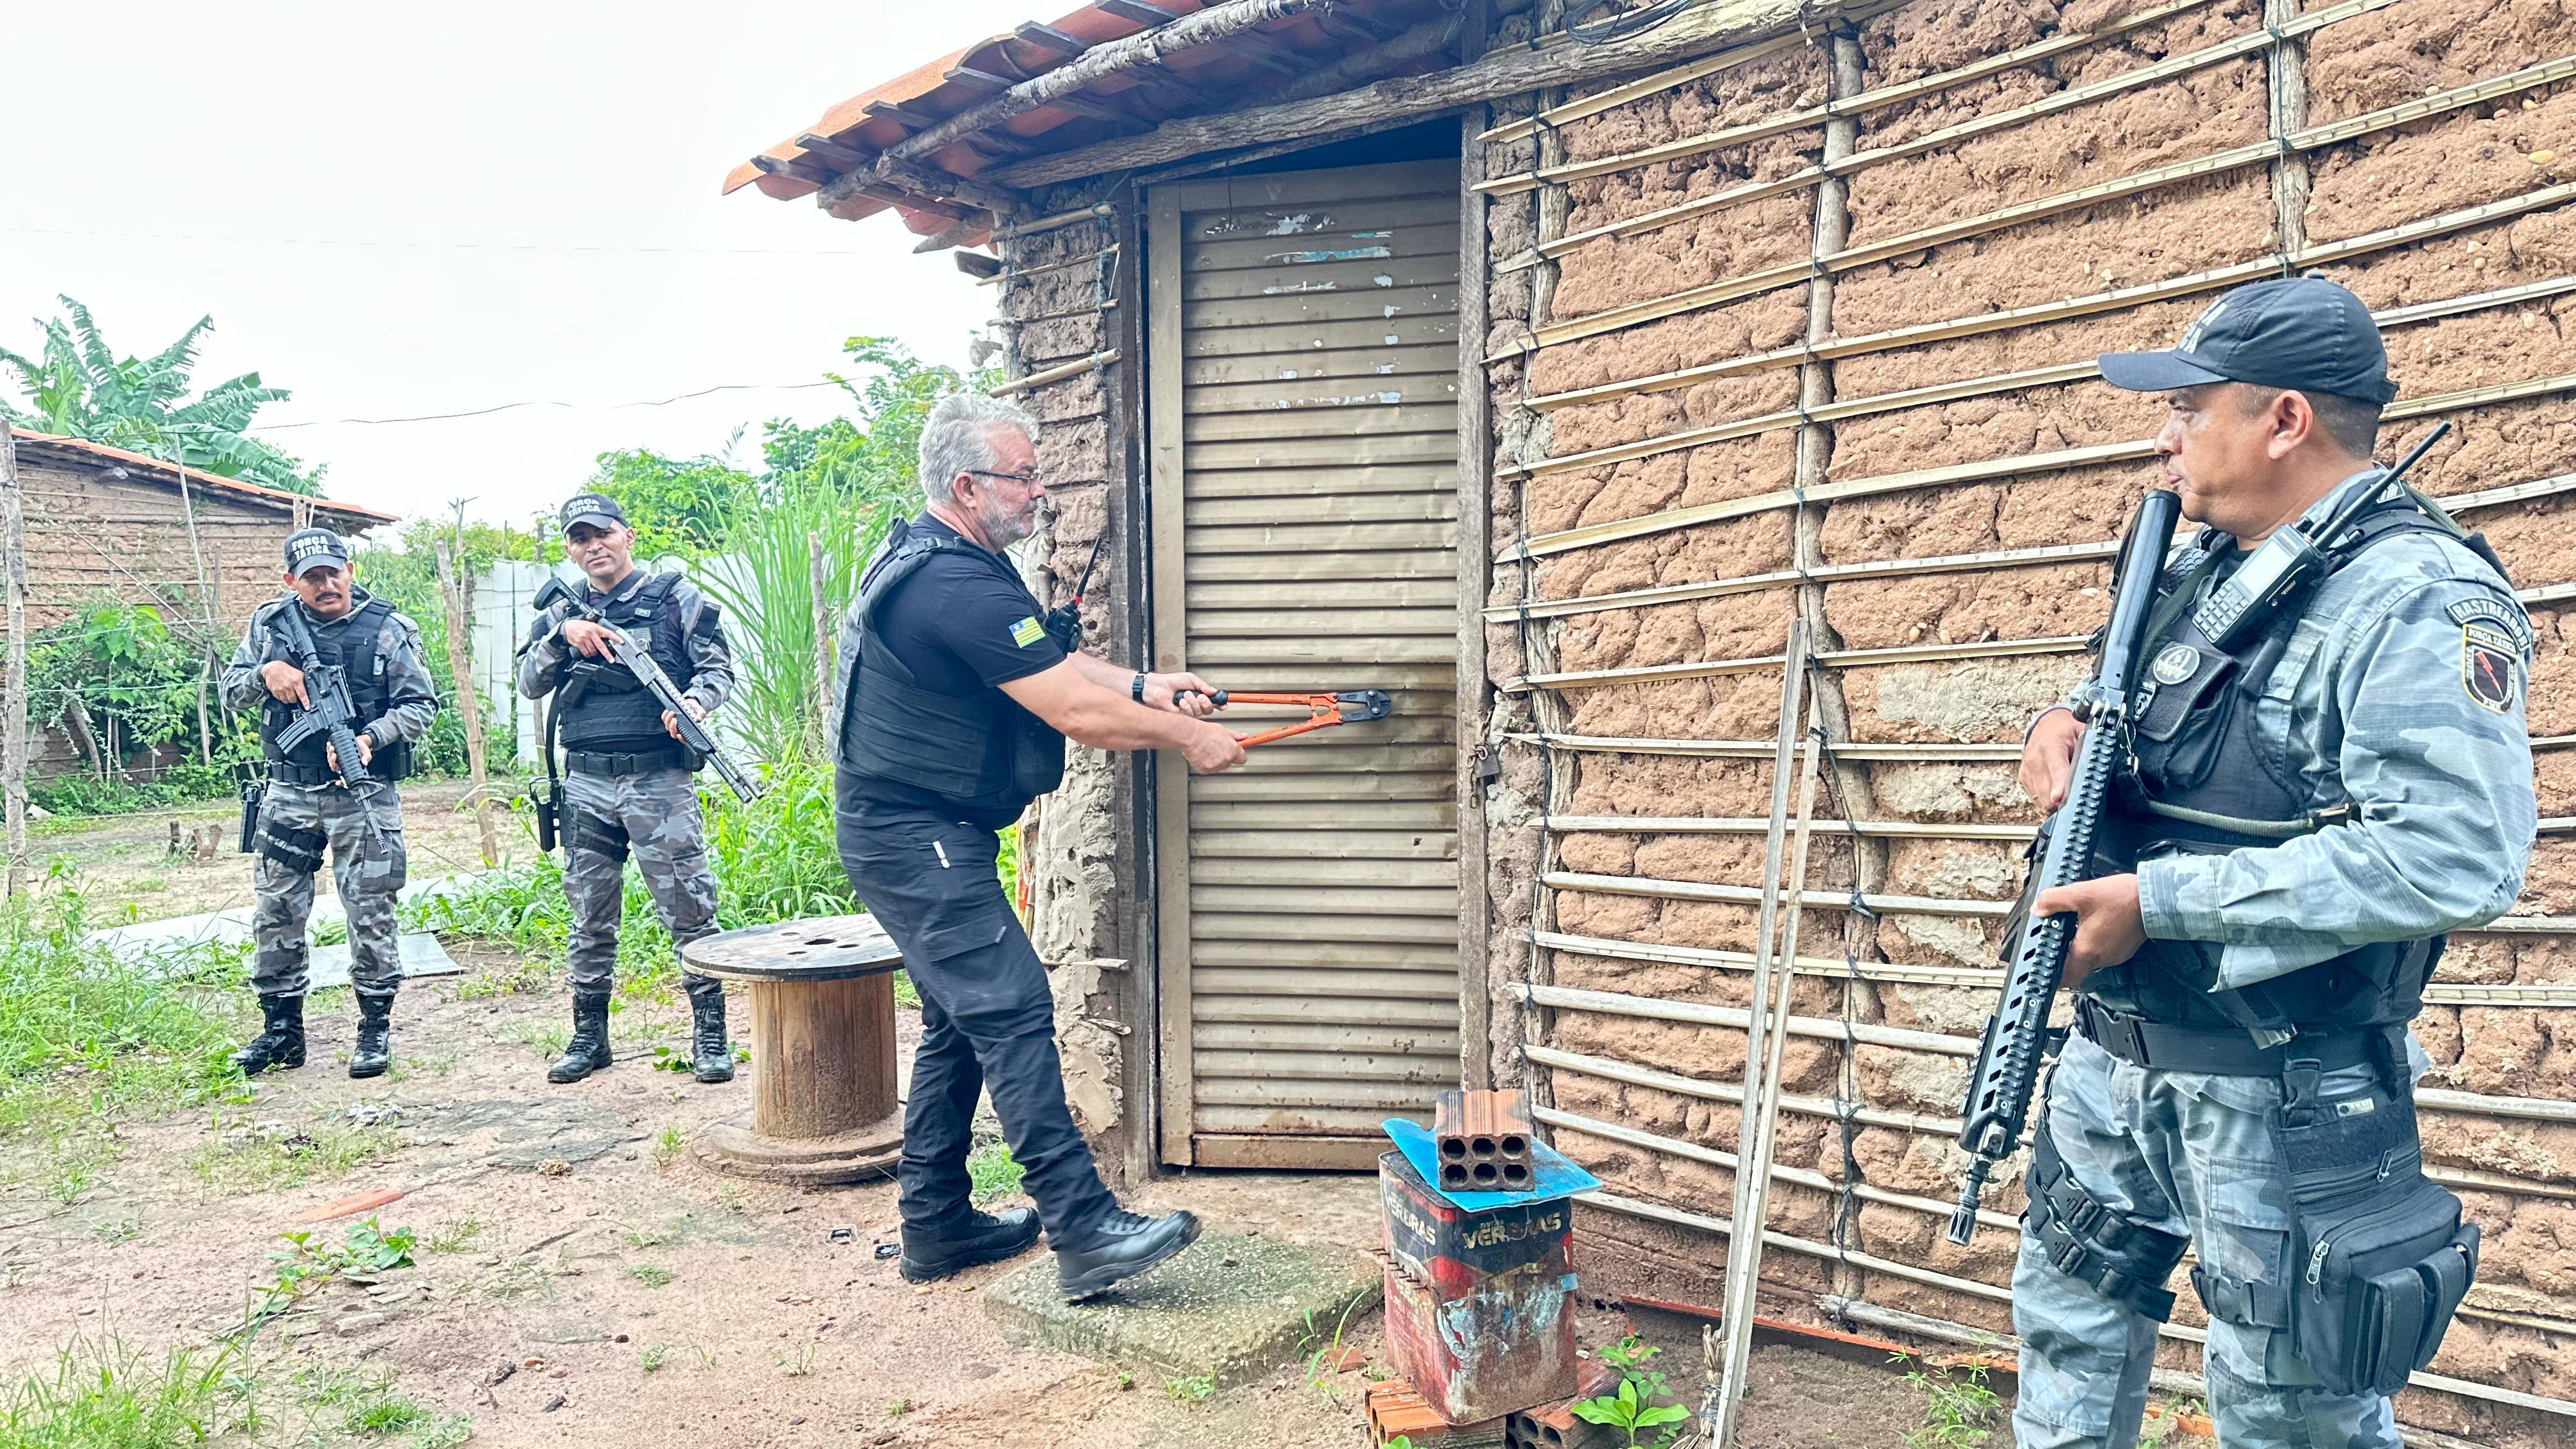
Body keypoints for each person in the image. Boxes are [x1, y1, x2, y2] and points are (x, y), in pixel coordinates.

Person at [2008, 276, 2536, 1448]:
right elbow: (2161, 724)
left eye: (2191, 406)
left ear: (2284, 418)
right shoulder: (2197, 562)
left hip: (2281, 1086)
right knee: (2066, 1346)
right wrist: (2063, 726)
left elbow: (2456, 854)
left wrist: (2159, 899)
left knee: (2290, 1413)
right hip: (2115, 1060)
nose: (2164, 432)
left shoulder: (2411, 595)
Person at [832, 394, 1248, 1301]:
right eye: (1024, 476)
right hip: (913, 835)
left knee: (960, 1017)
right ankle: (1083, 1225)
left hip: (921, 831)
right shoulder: (950, 582)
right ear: (968, 484)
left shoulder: (958, 566)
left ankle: (935, 1225)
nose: (1040, 491)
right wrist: (1185, 737)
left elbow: (1051, 669)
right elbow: (1071, 710)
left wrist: (1146, 683)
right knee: (1013, 1004)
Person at [516, 493, 739, 1085]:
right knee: (589, 915)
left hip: (658, 779)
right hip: (587, 781)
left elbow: (719, 669)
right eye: (579, 539)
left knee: (690, 909)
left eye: (602, 535)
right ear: (570, 549)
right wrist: (563, 635)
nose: (593, 547)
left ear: (627, 536)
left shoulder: (675, 600)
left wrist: (694, 702)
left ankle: (710, 1035)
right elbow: (529, 682)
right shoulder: (559, 615)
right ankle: (589, 1037)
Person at [222, 527, 438, 1079]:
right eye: (312, 577)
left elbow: (421, 706)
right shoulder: (269, 626)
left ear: (350, 570)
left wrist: (370, 739)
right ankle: (281, 1032)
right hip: (289, 791)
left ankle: (373, 1030)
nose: (326, 585)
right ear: (290, 581)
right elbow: (230, 691)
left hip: (361, 795)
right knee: (276, 911)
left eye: (333, 573)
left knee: (370, 909)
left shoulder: (388, 629)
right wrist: (264, 674)